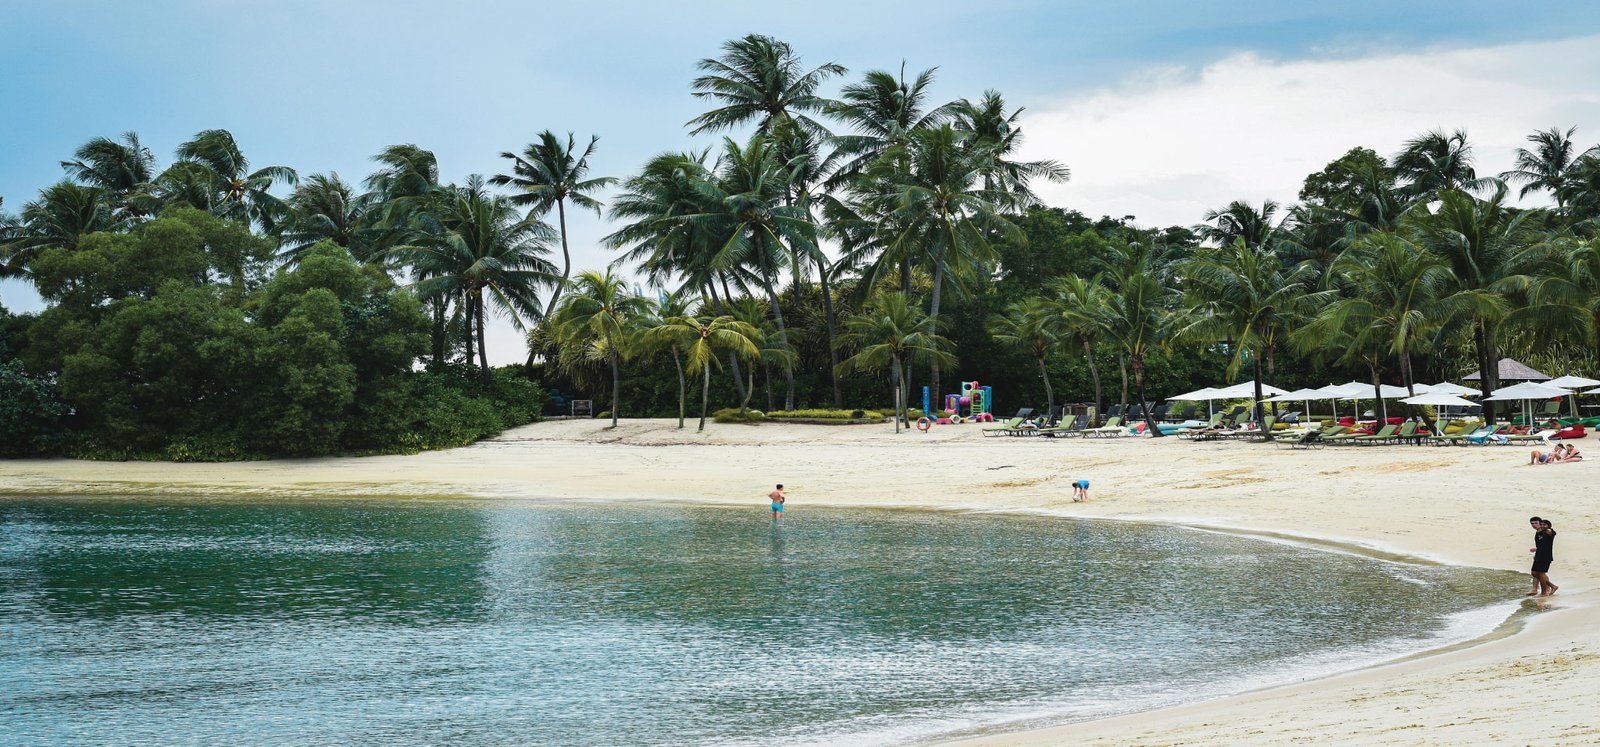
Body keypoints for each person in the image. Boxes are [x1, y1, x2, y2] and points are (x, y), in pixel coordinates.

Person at [1527, 517, 1558, 597]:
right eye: (1532, 523)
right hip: (1539, 556)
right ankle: (1553, 586)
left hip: (1545, 556)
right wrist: (1536, 552)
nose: (1534, 525)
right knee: (1534, 573)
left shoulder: (1548, 532)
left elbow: (1550, 532)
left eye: (1536, 523)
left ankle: (1544, 592)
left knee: (1541, 574)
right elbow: (1541, 545)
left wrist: (1548, 529)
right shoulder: (1538, 533)